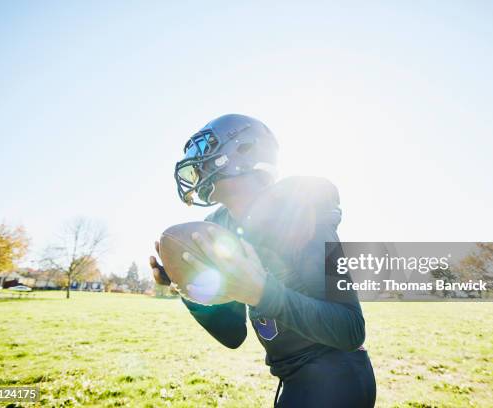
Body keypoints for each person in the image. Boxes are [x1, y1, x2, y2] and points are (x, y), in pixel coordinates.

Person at [150, 114, 376, 407]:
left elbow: (350, 328)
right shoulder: (223, 229)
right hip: (292, 378)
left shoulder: (302, 212)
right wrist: (189, 289)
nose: (198, 165)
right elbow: (233, 334)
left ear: (243, 151)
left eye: (207, 152)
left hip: (338, 379)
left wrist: (260, 292)